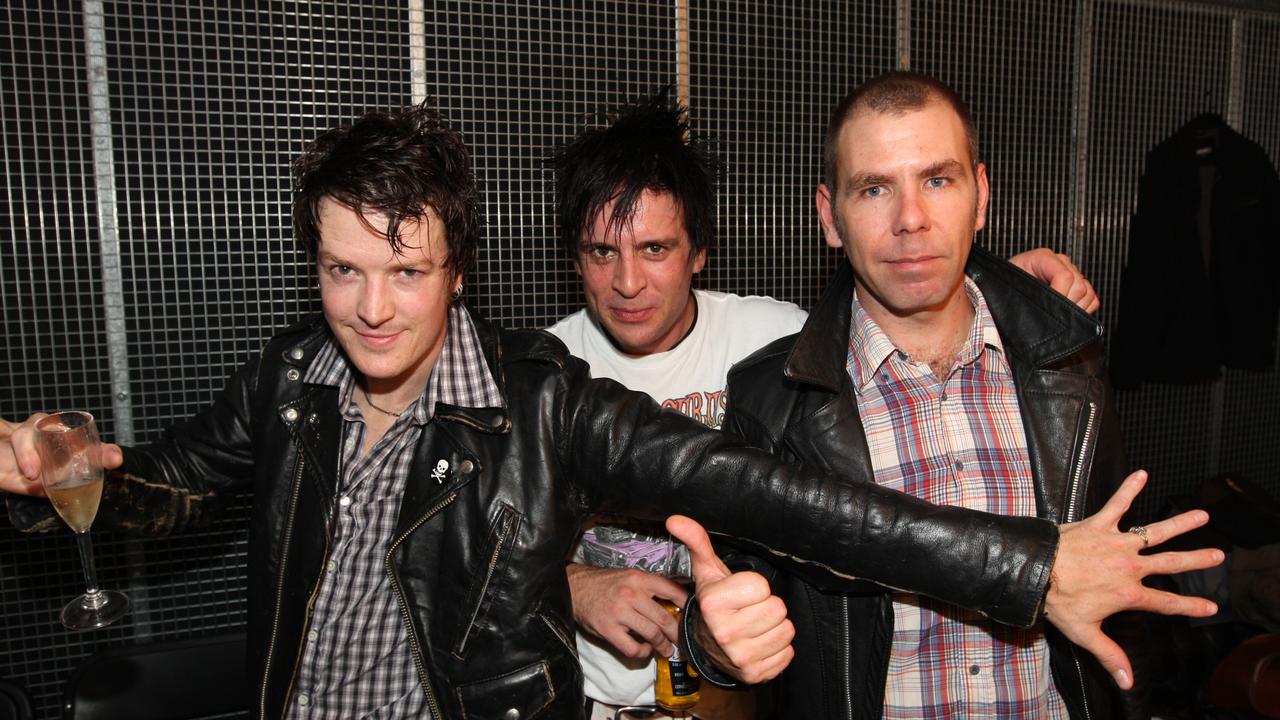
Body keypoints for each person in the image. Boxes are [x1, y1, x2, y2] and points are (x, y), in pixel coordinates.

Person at [0, 101, 1154, 720]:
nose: (370, 308)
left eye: (406, 273)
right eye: (342, 271)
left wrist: (1029, 565)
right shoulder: (289, 378)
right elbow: (164, 489)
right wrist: (59, 472)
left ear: (460, 271)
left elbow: (775, 495)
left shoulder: (536, 396)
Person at [544, 92, 1165, 720]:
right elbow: (463, 547)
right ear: (830, 215)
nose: (627, 283)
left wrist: (1011, 292)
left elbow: (908, 284)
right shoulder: (554, 377)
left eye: (655, 249)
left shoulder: (780, 345)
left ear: (698, 252)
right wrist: (572, 586)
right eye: (602, 252)